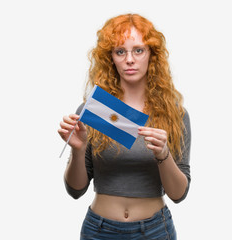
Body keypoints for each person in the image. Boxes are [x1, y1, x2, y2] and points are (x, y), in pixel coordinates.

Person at [58, 13, 191, 240]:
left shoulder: (174, 114)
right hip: (99, 231)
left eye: (138, 50)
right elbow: (75, 190)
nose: (130, 59)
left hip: (155, 231)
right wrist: (78, 150)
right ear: (110, 57)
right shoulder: (94, 110)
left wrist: (163, 154)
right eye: (120, 51)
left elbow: (178, 194)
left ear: (152, 55)